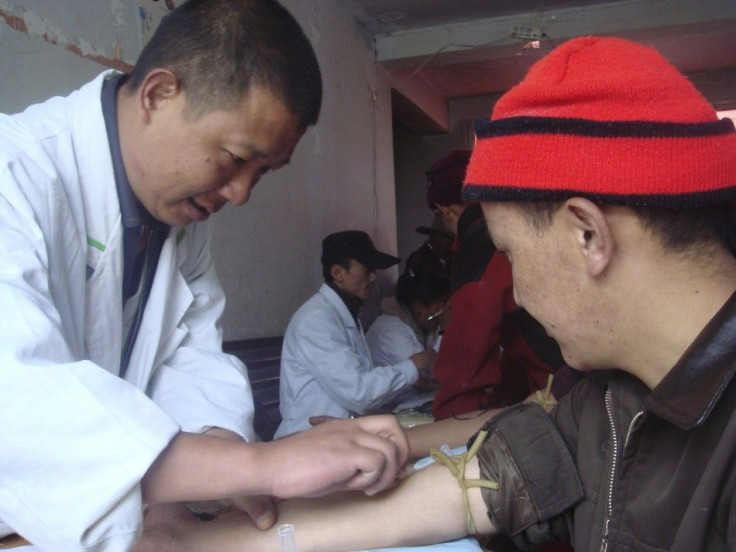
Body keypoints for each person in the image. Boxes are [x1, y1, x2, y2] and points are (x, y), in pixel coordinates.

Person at [131, 35, 736, 552]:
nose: (517, 295)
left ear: (588, 235)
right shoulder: (610, 402)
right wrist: (199, 541)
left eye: (511, 254)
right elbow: (480, 483)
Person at [0, 1, 411, 550]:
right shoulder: (15, 177)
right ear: (158, 95)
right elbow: (18, 401)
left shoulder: (180, 222)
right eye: (235, 158)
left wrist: (217, 459)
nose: (240, 194)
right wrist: (256, 466)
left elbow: (189, 356)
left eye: (261, 173)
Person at [426, 151, 569, 420]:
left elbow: (466, 353)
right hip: (572, 387)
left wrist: (449, 421)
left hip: (563, 396)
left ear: (446, 210)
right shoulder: (534, 226)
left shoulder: (480, 247)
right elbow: (520, 337)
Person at [274, 230, 437, 438]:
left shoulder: (344, 315)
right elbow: (359, 392)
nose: (373, 276)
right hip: (308, 439)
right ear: (337, 273)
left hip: (339, 433)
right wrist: (415, 363)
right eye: (367, 268)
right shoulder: (315, 320)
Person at [366, 269, 451, 404]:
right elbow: (436, 373)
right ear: (419, 308)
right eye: (441, 307)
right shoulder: (392, 330)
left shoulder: (417, 326)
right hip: (391, 409)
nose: (445, 313)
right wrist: (445, 331)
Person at [404, 212, 455, 279]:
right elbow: (412, 278)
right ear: (437, 238)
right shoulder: (418, 259)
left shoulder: (451, 260)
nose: (453, 245)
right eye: (450, 240)